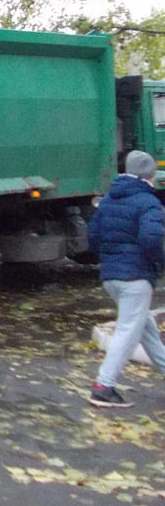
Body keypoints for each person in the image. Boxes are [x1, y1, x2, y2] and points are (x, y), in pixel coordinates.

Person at [85, 150, 165, 408]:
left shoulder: (109, 199)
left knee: (145, 329)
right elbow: (152, 239)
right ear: (149, 175)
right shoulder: (148, 202)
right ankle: (103, 387)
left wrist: (111, 257)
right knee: (128, 332)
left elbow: (93, 236)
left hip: (111, 277)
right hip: (135, 277)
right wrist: (160, 262)